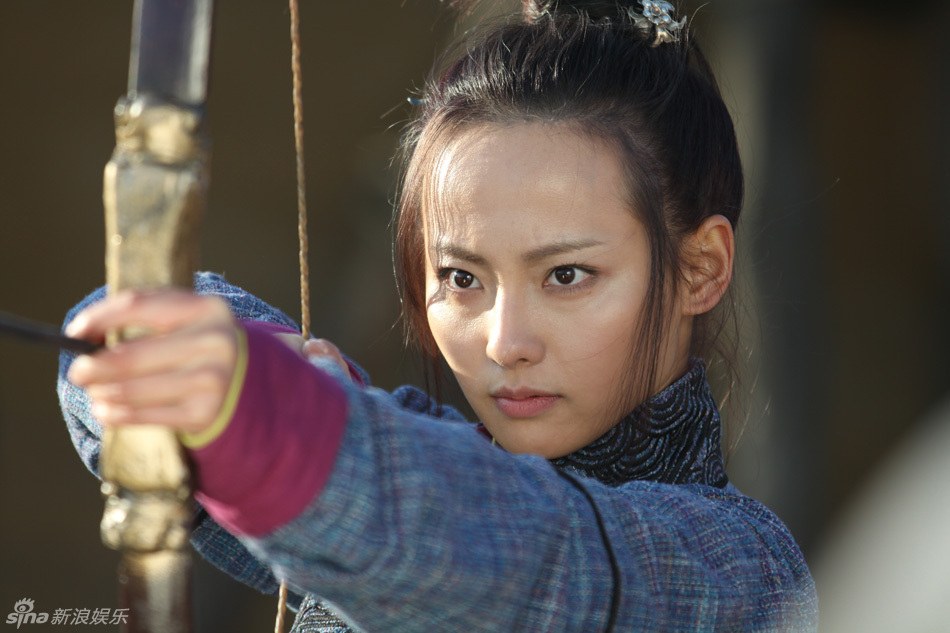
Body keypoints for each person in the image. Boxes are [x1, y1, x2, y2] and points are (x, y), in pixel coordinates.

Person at [58, 1, 819, 631]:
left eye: (566, 275)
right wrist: (265, 367)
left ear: (699, 268)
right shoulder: (403, 462)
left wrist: (283, 421)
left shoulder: (744, 574)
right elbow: (99, 344)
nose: (505, 342)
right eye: (461, 277)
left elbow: (521, 561)